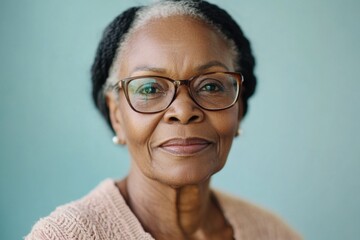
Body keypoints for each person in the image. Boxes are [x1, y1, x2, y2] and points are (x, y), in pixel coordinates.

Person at [26, 0, 301, 239]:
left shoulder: (271, 232)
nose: (183, 111)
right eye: (149, 89)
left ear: (238, 109)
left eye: (211, 86)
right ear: (116, 116)